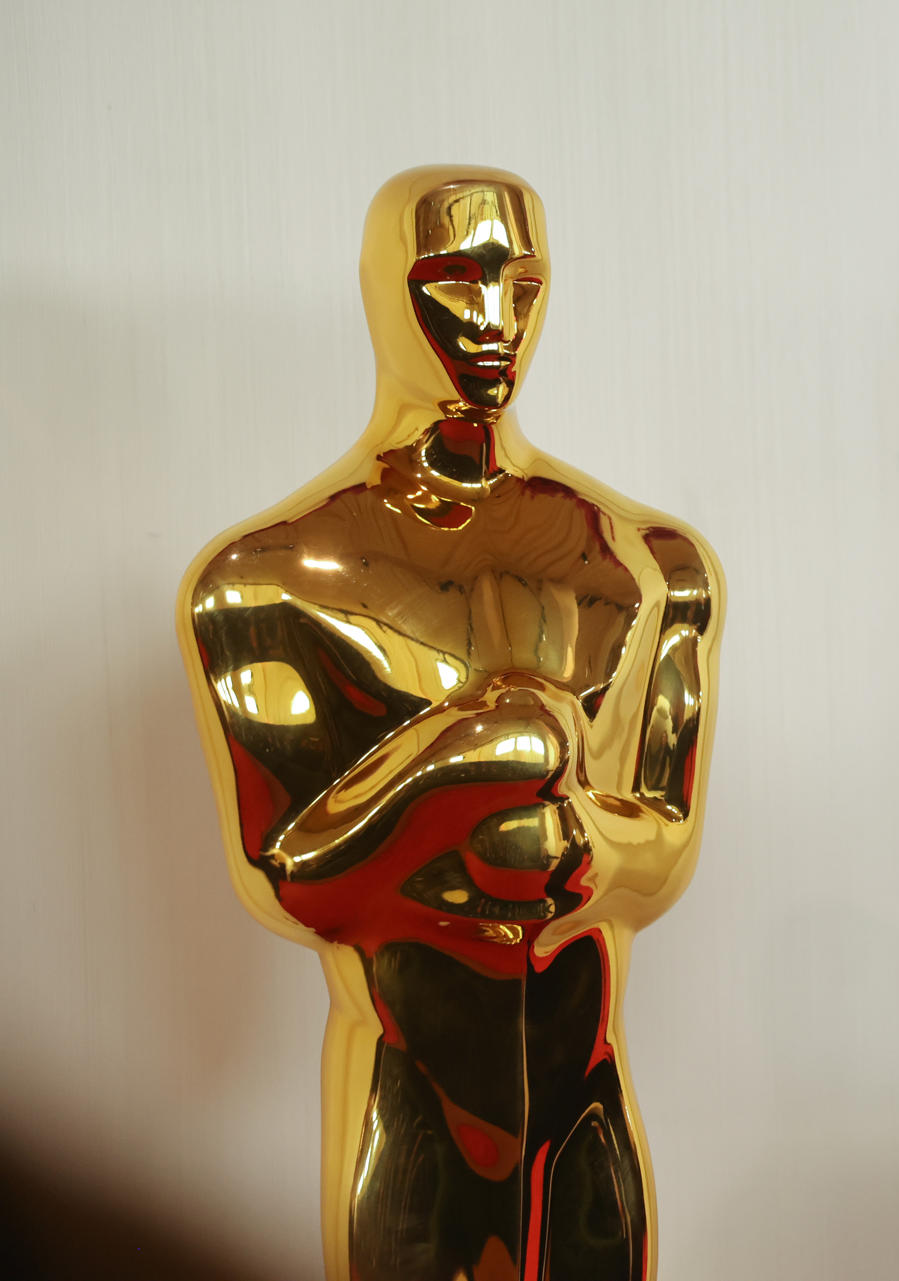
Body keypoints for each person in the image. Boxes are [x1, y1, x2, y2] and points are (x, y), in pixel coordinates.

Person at [178, 167, 723, 1281]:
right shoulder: (268, 581)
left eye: (523, 285)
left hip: (588, 1102)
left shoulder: (649, 563)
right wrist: (456, 762)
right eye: (454, 280)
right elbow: (290, 879)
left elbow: (664, 853)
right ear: (384, 289)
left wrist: (593, 845)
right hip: (410, 1097)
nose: (495, 323)